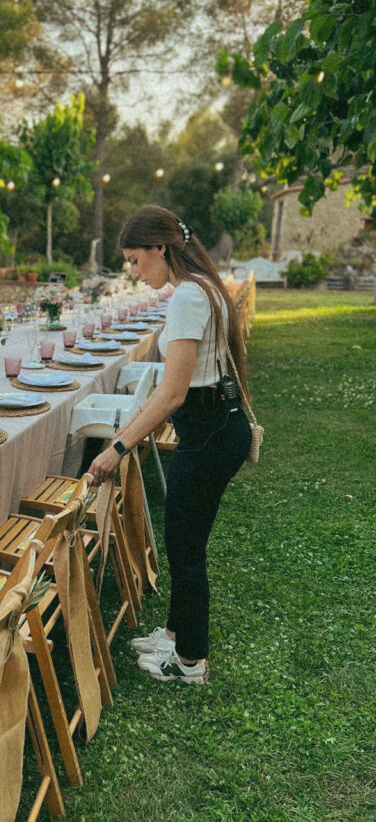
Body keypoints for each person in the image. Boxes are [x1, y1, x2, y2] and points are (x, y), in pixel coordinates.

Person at [89, 205, 251, 685]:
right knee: (186, 537)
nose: (134, 273)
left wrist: (116, 448)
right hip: (215, 429)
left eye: (137, 260)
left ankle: (190, 662)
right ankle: (179, 634)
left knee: (185, 548)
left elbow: (173, 392)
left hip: (208, 435)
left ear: (161, 247)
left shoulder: (188, 298)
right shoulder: (198, 287)